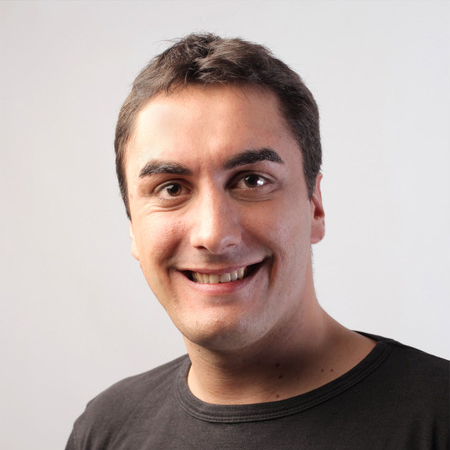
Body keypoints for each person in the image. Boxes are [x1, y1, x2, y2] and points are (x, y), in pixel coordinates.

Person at [66, 33, 449, 449]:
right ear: (133, 227)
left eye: (252, 181)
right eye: (171, 188)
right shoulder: (106, 428)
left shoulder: (437, 418)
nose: (213, 235)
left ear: (315, 206)